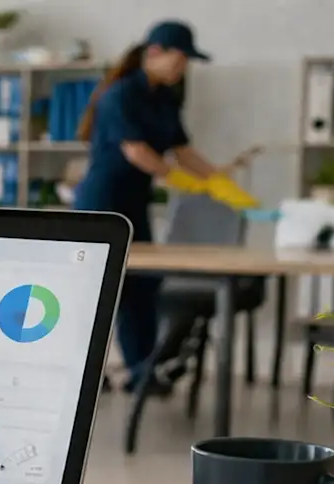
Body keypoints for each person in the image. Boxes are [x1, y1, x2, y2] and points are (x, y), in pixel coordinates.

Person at [75, 20, 246, 393]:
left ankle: (141, 370)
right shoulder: (119, 94)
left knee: (143, 284)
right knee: (96, 291)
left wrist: (218, 179)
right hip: (103, 202)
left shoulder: (165, 99)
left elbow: (183, 150)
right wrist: (177, 179)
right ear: (154, 52)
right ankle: (81, 372)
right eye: (179, 59)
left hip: (135, 202)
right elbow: (136, 150)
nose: (182, 68)